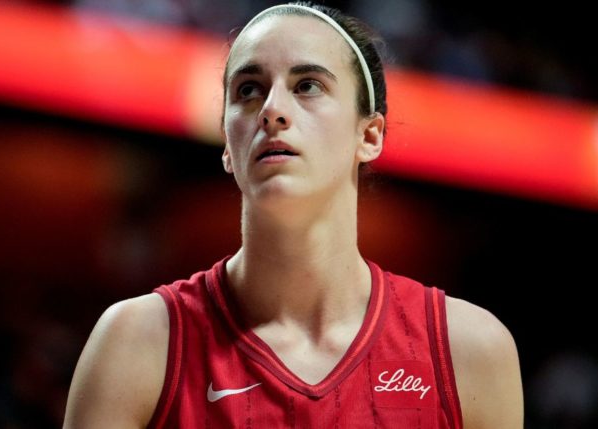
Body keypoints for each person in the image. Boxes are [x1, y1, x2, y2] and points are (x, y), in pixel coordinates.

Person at [64, 2, 523, 427]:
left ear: (371, 135)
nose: (272, 111)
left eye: (308, 86)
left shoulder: (470, 352)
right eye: (248, 90)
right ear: (228, 145)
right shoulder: (136, 344)